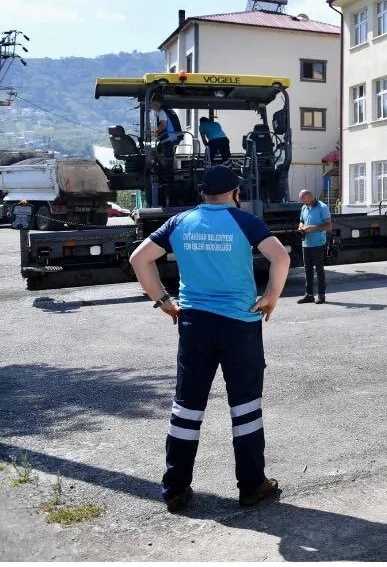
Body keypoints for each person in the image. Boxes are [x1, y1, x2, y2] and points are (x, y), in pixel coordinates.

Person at [128, 164, 290, 513]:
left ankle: (175, 488)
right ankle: (252, 485)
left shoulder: (180, 222)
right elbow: (281, 257)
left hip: (194, 324)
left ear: (202, 193)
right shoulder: (244, 221)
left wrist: (163, 301)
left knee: (187, 406)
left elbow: (139, 259)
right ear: (236, 193)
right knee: (245, 405)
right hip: (239, 325)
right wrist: (271, 296)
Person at [297, 188, 332, 304]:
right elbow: (301, 220)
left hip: (318, 244)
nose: (303, 203)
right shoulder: (304, 207)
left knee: (319, 270)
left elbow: (329, 226)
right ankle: (309, 295)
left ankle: (321, 295)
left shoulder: (323, 207)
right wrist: (301, 226)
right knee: (307, 270)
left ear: (310, 197)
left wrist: (313, 228)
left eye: (304, 200)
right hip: (306, 243)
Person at [150, 99, 182, 163]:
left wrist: (156, 133)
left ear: (156, 105)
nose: (152, 109)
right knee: (163, 151)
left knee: (167, 157)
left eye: (152, 107)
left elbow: (163, 125)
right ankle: (166, 165)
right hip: (176, 136)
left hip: (169, 137)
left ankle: (166, 167)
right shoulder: (169, 110)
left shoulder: (162, 112)